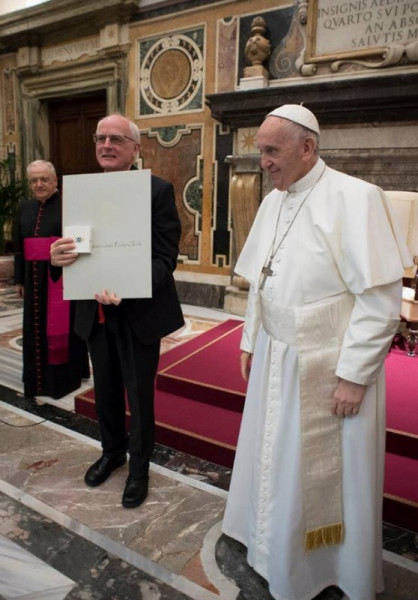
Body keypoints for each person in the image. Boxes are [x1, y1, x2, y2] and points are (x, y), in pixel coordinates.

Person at [222, 105, 411, 600]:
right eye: (260, 151)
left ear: (307, 148)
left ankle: (322, 569)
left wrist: (354, 376)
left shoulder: (356, 198)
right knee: (273, 460)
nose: (263, 161)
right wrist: (250, 338)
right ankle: (267, 545)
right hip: (276, 355)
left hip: (328, 365)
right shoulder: (274, 201)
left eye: (272, 150)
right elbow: (261, 281)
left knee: (319, 475)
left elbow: (380, 300)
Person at [50, 114, 184, 509]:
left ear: (135, 148)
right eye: (101, 138)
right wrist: (58, 258)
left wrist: (127, 286)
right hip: (95, 311)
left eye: (117, 139)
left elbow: (166, 259)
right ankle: (112, 452)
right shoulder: (80, 193)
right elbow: (72, 249)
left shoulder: (157, 191)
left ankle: (139, 468)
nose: (106, 145)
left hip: (138, 313)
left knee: (138, 395)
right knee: (104, 389)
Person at [14, 160, 89, 402]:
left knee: (63, 330)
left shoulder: (70, 206)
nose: (39, 184)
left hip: (61, 278)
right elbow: (19, 247)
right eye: (34, 180)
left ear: (55, 180)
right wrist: (19, 279)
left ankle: (63, 379)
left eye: (44, 179)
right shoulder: (24, 207)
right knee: (34, 329)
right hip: (31, 278)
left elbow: (80, 242)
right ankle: (35, 378)